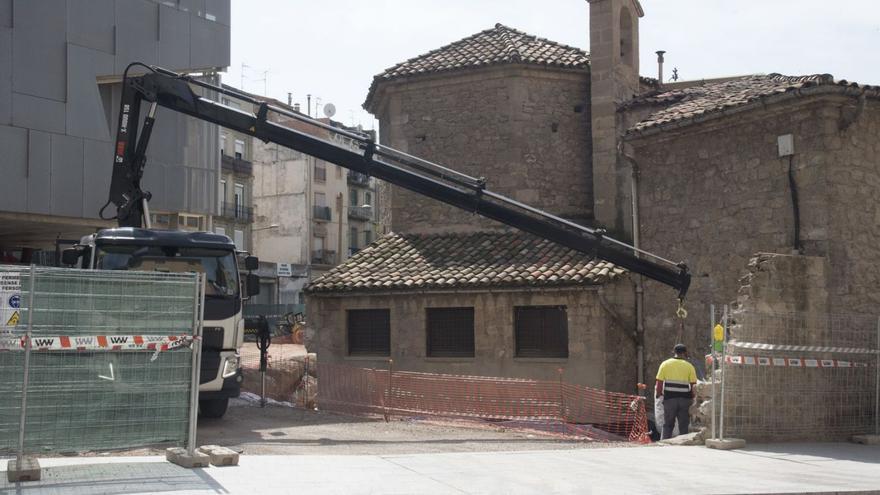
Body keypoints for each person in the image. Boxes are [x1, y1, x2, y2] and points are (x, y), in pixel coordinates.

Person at [655, 343, 697, 439]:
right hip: (685, 400)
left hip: (669, 399)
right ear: (685, 353)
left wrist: (659, 394)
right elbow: (693, 385)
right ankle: (683, 445)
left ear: (674, 352)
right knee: (683, 425)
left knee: (668, 424)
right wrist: (694, 398)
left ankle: (664, 444)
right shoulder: (689, 366)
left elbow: (659, 382)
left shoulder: (665, 364)